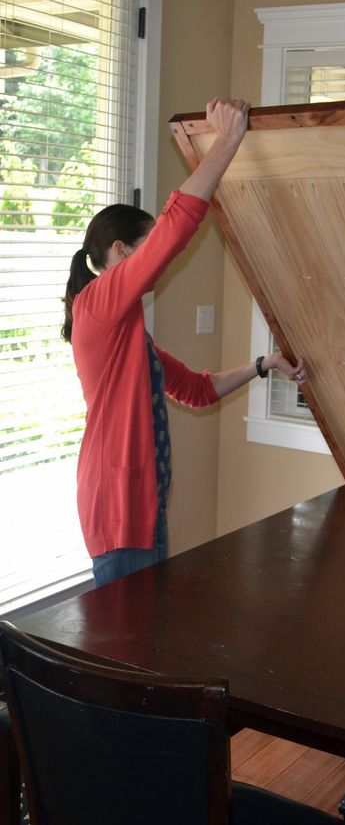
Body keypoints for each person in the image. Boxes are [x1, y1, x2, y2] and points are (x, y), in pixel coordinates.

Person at [62, 97, 307, 587]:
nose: (158, 259)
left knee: (143, 639)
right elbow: (175, 230)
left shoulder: (128, 334)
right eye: (145, 247)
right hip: (118, 508)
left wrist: (264, 363)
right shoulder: (95, 305)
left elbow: (197, 389)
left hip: (144, 506)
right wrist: (226, 142)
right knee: (129, 649)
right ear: (120, 252)